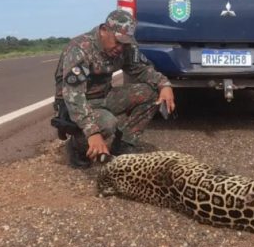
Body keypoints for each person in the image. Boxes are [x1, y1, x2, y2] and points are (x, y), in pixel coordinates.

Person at [54, 10, 175, 168]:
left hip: (104, 96)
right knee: (107, 123)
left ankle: (124, 144)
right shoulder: (81, 48)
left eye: (125, 43)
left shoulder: (124, 48)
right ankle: (78, 146)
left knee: (151, 93)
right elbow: (73, 96)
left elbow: (142, 69)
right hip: (77, 103)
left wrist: (164, 85)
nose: (120, 48)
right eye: (118, 41)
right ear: (104, 30)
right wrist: (93, 133)